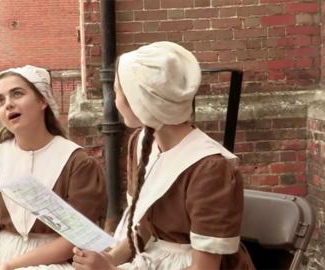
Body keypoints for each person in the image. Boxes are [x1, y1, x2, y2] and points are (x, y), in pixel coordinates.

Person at [71, 42, 255, 269]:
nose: (115, 100)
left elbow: (204, 267)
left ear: (141, 100)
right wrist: (109, 258)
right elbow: (145, 224)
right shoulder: (140, 143)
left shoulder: (209, 167)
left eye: (118, 90)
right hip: (154, 260)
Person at [0, 65, 107, 270]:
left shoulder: (77, 162)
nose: (8, 105)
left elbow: (76, 238)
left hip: (54, 259)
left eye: (17, 94)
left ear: (42, 101)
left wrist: (10, 266)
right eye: (0, 100)